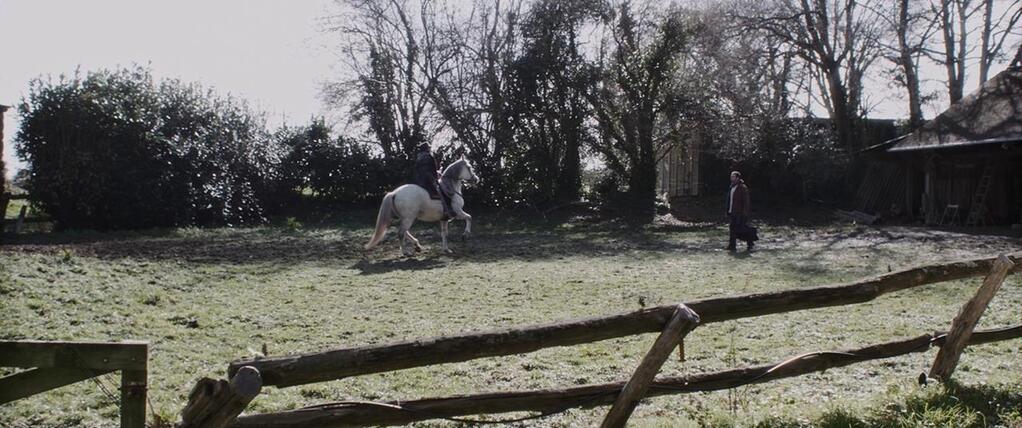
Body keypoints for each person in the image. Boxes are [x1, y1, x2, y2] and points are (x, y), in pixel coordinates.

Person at [414, 143, 454, 219]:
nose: (430, 149)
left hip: (419, 181)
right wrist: (436, 177)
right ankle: (446, 211)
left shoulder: (418, 157)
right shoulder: (428, 157)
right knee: (441, 191)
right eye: (429, 148)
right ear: (426, 149)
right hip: (428, 180)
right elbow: (431, 169)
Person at [726, 170, 757, 251]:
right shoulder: (731, 187)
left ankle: (750, 240)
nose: (731, 178)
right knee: (732, 229)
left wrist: (745, 212)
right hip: (732, 212)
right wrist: (727, 210)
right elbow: (729, 200)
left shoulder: (743, 188)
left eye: (733, 176)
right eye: (731, 176)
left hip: (740, 213)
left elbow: (746, 201)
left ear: (737, 178)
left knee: (740, 229)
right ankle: (732, 246)